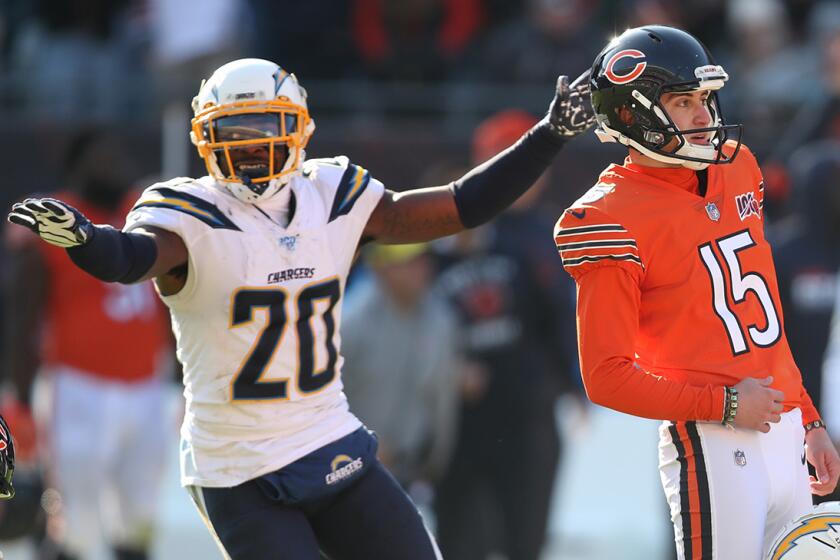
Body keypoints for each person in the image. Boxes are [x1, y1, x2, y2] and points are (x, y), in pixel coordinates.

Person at [6, 57, 594, 559]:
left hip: (327, 437)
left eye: (264, 126)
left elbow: (462, 205)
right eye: (234, 131)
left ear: (300, 128)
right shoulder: (190, 215)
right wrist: (86, 240)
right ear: (206, 139)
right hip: (237, 468)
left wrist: (549, 135)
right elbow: (129, 258)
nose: (252, 144)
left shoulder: (331, 196)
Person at [553, 25, 840, 560]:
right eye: (684, 102)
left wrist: (809, 416)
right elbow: (605, 376)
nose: (705, 116)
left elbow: (765, 318)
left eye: (705, 98)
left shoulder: (738, 165)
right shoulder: (605, 218)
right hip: (713, 442)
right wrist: (726, 404)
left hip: (784, 430)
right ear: (631, 114)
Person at [3, 128, 174, 560]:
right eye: (103, 157)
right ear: (77, 166)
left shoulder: (145, 210)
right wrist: (21, 401)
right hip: (78, 388)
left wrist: (190, 377)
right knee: (75, 524)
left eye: (118, 156)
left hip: (147, 386)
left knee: (139, 519)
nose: (116, 166)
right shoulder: (55, 219)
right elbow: (24, 318)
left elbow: (177, 299)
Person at [432, 109, 582, 560]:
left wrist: (575, 384)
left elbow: (563, 316)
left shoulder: (555, 229)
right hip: (462, 410)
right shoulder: (453, 221)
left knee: (527, 534)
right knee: (462, 535)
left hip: (530, 404)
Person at [341, 242, 459, 491]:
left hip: (418, 468)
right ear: (380, 267)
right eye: (409, 261)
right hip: (357, 471)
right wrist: (360, 444)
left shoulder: (440, 315)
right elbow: (322, 401)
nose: (421, 268)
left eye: (423, 260)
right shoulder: (349, 322)